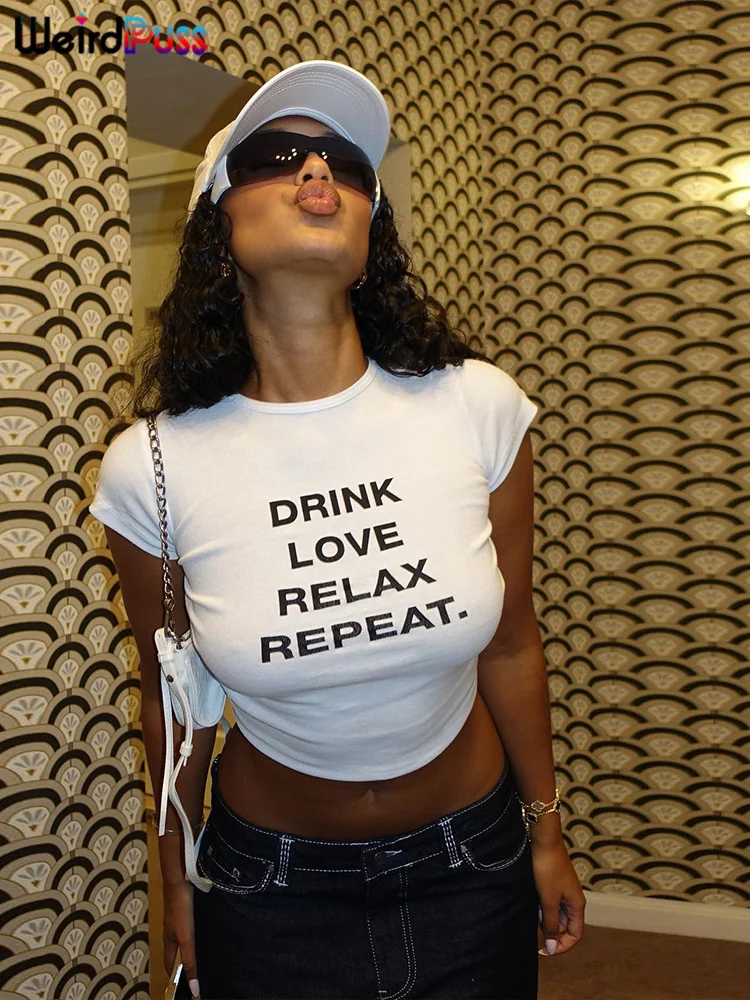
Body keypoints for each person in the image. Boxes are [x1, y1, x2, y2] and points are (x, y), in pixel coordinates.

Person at [90, 59, 585, 1000]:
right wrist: (175, 879)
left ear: (370, 231)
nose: (319, 172)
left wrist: (547, 832)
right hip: (267, 886)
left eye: (347, 166)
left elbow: (514, 644)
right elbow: (174, 703)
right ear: (217, 224)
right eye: (277, 156)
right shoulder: (151, 465)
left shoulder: (477, 407)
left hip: (472, 860)